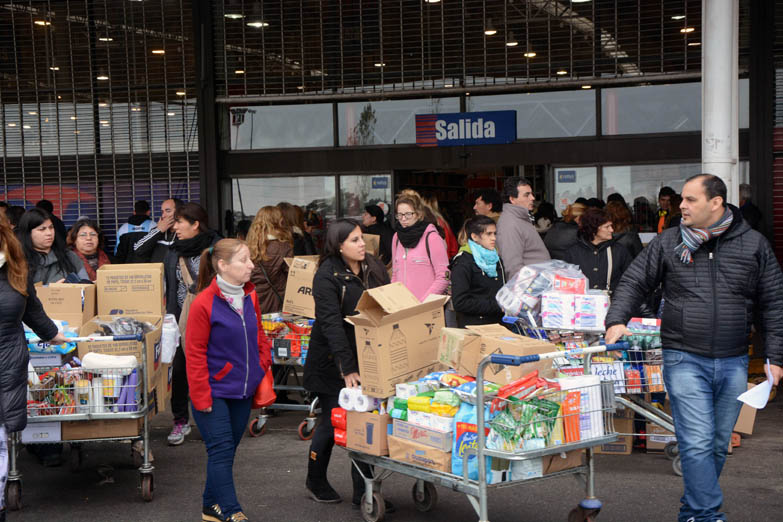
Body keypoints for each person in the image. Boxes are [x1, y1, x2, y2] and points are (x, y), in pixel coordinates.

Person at [605, 174, 783, 522]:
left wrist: (775, 356)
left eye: (690, 200)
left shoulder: (754, 245)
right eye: (682, 199)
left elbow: (773, 302)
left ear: (716, 203)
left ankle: (690, 510)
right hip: (683, 356)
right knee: (698, 441)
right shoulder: (668, 242)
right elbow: (634, 280)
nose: (680, 206)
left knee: (717, 444)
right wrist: (617, 318)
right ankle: (705, 514)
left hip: (733, 360)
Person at [303, 219, 390, 506]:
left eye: (361, 238)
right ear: (338, 245)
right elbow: (330, 324)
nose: (362, 243)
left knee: (365, 420)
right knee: (333, 419)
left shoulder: (373, 267)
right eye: (354, 240)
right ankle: (315, 479)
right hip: (332, 360)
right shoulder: (327, 275)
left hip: (368, 356)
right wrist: (346, 366)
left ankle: (363, 491)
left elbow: (388, 304)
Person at [186, 238, 272, 522]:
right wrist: (201, 397)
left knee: (225, 451)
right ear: (222, 265)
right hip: (213, 392)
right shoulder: (203, 303)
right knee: (221, 450)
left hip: (243, 389)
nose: (251, 265)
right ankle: (232, 511)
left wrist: (261, 365)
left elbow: (259, 333)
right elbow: (194, 354)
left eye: (250, 259)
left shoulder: (250, 295)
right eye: (244, 260)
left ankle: (210, 506)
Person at [0, 212, 68, 521]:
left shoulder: (16, 268)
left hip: (7, 365)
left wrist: (56, 336)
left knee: (1, 443)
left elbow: (32, 310)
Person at [165, 203, 220, 446]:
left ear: (195, 224)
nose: (174, 226)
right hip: (180, 320)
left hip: (212, 320)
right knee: (179, 370)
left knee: (210, 369)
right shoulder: (173, 251)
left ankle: (212, 419)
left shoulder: (217, 249)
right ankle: (180, 420)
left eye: (179, 222)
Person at [391, 194, 449, 301]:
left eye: (408, 214)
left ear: (419, 214)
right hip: (402, 307)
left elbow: (444, 276)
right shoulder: (396, 238)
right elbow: (395, 274)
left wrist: (423, 303)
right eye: (399, 215)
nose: (403, 219)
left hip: (425, 307)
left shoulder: (432, 238)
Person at [450, 216, 506, 327]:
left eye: (495, 233)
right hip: (474, 326)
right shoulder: (462, 262)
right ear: (475, 237)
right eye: (488, 234)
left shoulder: (496, 258)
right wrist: (497, 306)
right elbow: (460, 302)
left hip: (498, 324)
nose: (494, 238)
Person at [564, 208, 631, 294]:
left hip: (613, 304)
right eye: (607, 227)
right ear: (593, 229)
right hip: (582, 304)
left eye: (611, 226)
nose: (612, 230)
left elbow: (631, 280)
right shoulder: (572, 253)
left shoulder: (619, 251)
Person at [495, 177, 550, 277]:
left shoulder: (520, 218)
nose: (532, 198)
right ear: (512, 199)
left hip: (537, 283)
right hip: (529, 287)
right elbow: (513, 268)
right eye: (526, 195)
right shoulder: (509, 224)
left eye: (531, 194)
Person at [16, 208, 88, 283]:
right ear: (28, 233)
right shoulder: (19, 260)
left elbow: (86, 285)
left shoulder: (69, 256)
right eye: (42, 229)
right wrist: (51, 290)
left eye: (51, 227)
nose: (49, 233)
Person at [247, 206, 293, 314]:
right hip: (277, 302)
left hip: (253, 302)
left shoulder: (247, 248)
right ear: (279, 222)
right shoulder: (284, 247)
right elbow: (292, 276)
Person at [131, 198, 184, 263]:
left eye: (168, 211)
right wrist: (158, 230)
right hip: (158, 272)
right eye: (162, 212)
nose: (163, 215)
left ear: (179, 213)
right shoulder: (157, 230)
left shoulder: (185, 232)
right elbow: (137, 249)